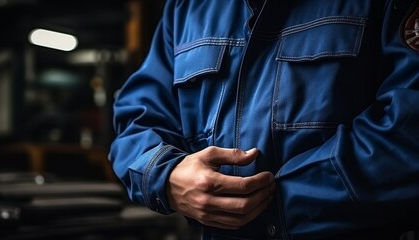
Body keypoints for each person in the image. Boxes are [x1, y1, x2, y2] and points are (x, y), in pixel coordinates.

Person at [109, 0, 419, 239]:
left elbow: (407, 134)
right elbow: (136, 118)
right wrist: (167, 175)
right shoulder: (187, 7)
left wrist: (271, 203)